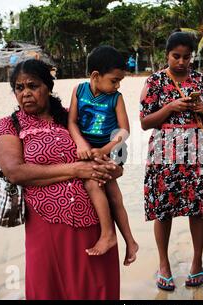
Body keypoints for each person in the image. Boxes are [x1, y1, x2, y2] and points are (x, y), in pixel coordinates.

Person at [0, 59, 121, 299]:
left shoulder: (72, 118)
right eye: (19, 88)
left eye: (33, 86)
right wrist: (76, 170)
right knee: (48, 289)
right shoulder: (10, 125)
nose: (26, 93)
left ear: (48, 87)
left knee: (96, 289)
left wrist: (109, 166)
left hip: (93, 223)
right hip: (46, 227)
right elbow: (15, 171)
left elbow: (114, 153)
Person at [140, 32, 203, 291]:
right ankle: (164, 265)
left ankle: (196, 263)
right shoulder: (154, 81)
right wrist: (170, 107)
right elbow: (145, 122)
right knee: (163, 209)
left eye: (186, 57)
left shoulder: (201, 80)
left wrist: (202, 110)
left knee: (199, 208)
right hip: (165, 153)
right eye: (176, 56)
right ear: (166, 55)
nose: (181, 61)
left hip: (199, 151)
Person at [68, 45, 138, 264]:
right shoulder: (79, 91)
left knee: (94, 183)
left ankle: (109, 235)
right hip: (88, 149)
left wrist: (105, 150)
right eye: (114, 80)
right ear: (95, 76)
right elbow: (71, 121)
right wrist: (80, 143)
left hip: (112, 150)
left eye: (119, 82)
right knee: (111, 192)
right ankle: (130, 242)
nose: (117, 86)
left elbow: (124, 131)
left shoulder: (115, 98)